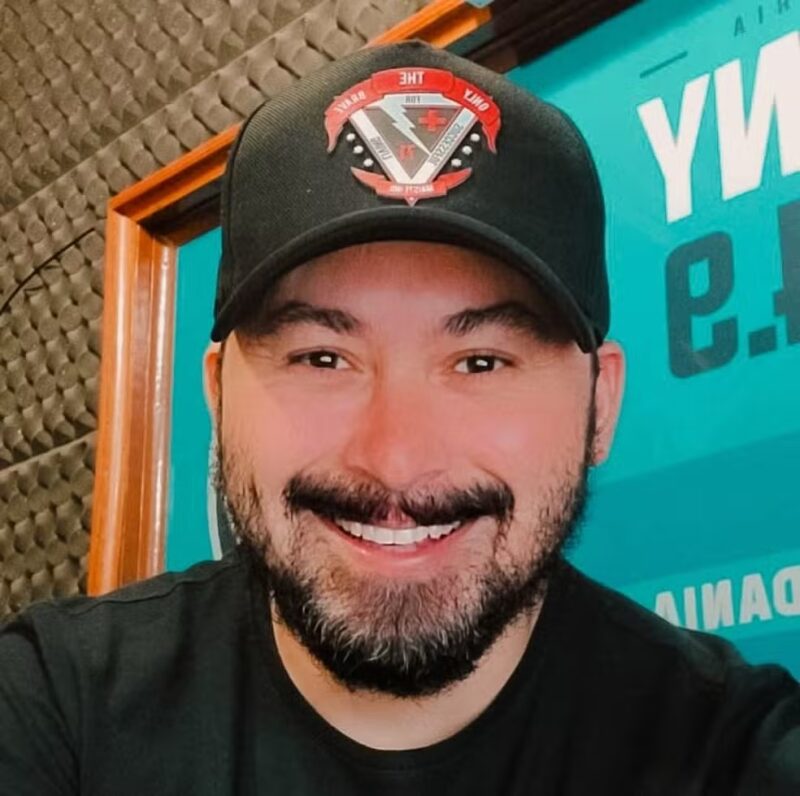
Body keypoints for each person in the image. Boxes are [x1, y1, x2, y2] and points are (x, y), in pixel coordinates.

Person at [1, 41, 798, 796]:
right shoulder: (56, 704)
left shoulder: (728, 750)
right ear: (218, 395)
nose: (396, 459)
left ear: (601, 407)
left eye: (481, 362)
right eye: (322, 358)